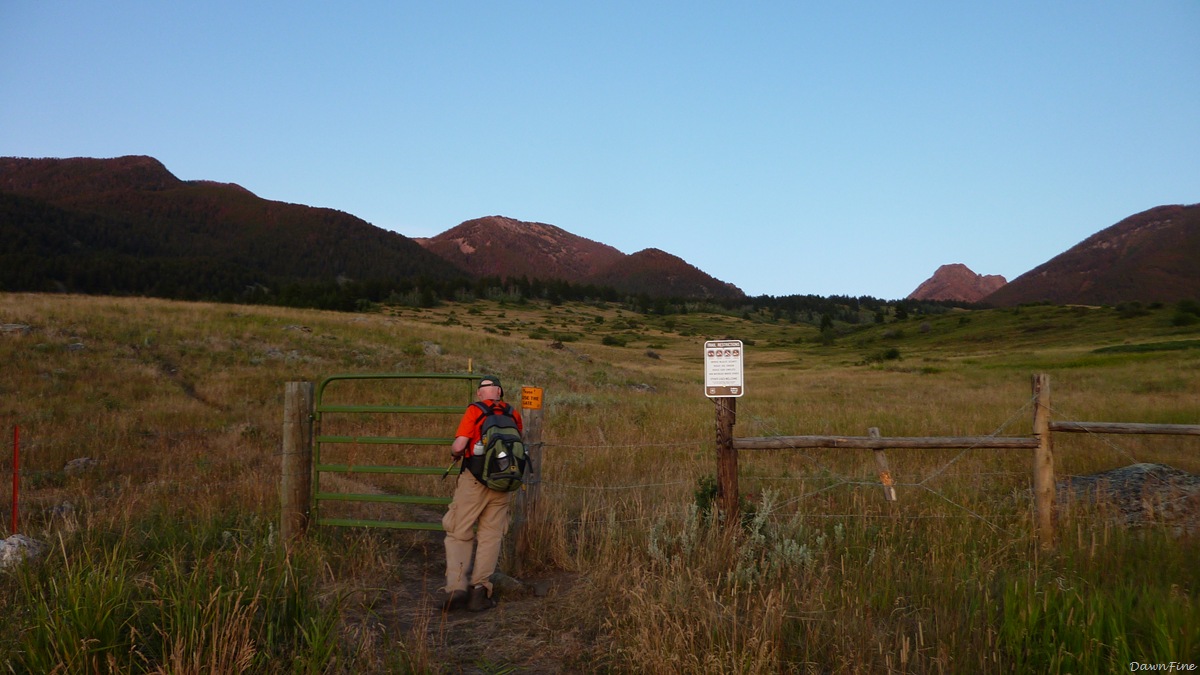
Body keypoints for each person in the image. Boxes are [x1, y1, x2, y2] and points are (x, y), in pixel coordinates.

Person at [442, 375, 523, 612]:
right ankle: (480, 592)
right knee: (490, 537)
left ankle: (456, 590)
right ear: (499, 391)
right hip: (503, 483)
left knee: (459, 531)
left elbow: (459, 446)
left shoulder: (475, 411)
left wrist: (454, 452)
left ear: (479, 394)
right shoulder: (513, 413)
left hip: (474, 481)